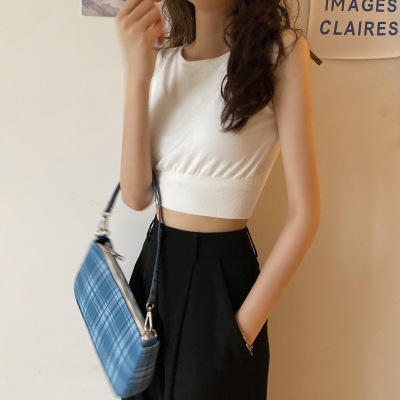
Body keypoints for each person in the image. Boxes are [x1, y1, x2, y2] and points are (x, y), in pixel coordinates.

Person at [116, 0, 320, 399]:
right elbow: (136, 195)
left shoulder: (278, 52)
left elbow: (305, 214)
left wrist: (240, 332)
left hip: (222, 285)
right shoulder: (164, 61)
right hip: (153, 274)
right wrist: (138, 74)